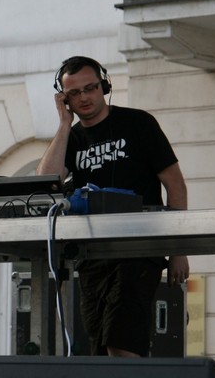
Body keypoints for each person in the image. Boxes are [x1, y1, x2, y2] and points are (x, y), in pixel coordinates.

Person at [37, 55, 189, 357]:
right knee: (99, 348)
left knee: (122, 341)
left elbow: (175, 185)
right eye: (74, 93)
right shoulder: (72, 138)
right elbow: (46, 182)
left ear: (104, 86)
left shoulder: (138, 123)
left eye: (90, 88)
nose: (84, 97)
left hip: (139, 250)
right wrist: (64, 125)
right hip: (93, 256)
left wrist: (178, 249)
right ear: (64, 99)